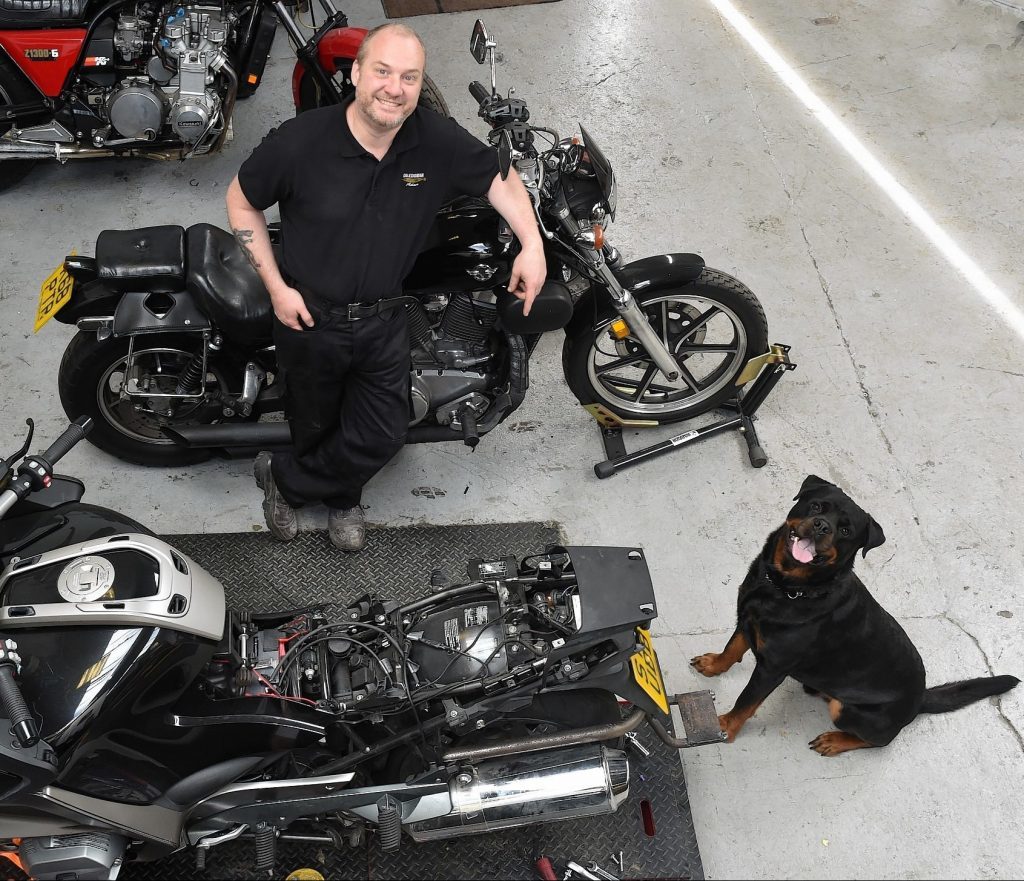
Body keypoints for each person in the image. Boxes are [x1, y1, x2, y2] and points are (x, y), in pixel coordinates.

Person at [226, 22, 546, 552]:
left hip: (384, 319)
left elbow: (500, 178)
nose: (394, 88)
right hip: (309, 318)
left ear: (420, 86)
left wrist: (531, 244)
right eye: (382, 71)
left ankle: (285, 482)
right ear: (355, 73)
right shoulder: (300, 142)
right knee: (314, 422)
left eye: (409, 77)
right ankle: (343, 499)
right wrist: (277, 287)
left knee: (381, 431)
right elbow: (242, 200)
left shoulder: (433, 139)